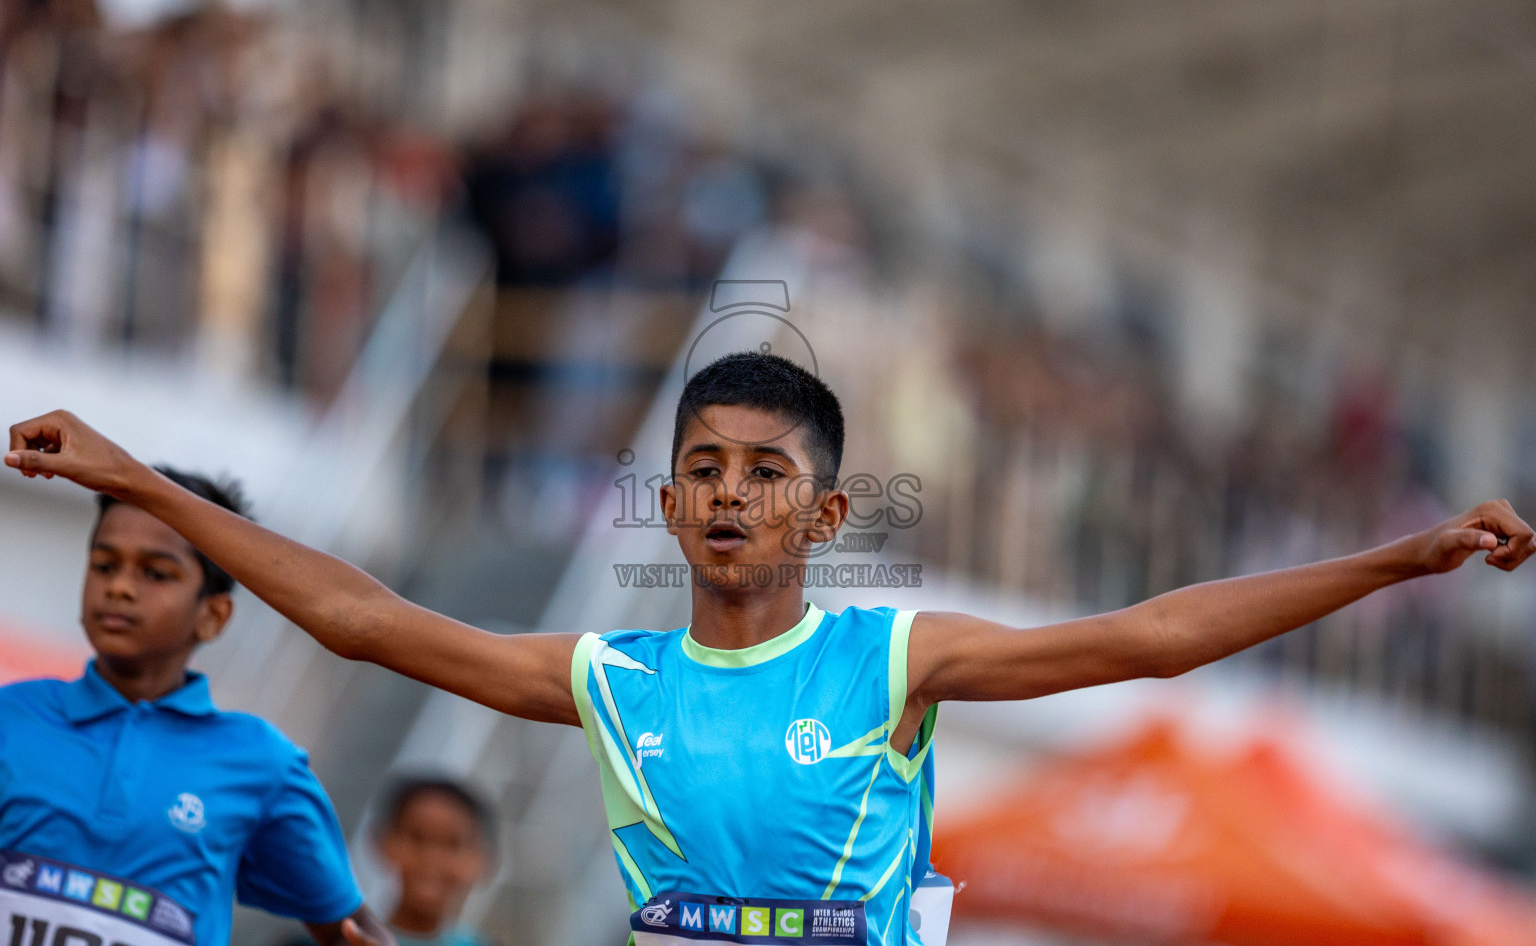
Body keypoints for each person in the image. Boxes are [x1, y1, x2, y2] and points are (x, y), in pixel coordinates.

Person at [7, 352, 1534, 946]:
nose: (733, 493)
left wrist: (1398, 557)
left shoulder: (895, 664)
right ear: (668, 500)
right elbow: (361, 620)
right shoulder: (612, 685)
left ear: (828, 510)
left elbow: (1145, 638)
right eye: (708, 469)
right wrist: (138, 476)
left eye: (767, 472)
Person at [0, 467, 392, 946]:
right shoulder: (12, 718)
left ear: (213, 615)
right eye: (104, 565)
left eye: (156, 573)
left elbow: (352, 932)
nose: (119, 587)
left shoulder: (261, 763)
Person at [371, 777, 498, 946]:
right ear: (385, 842)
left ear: (482, 858)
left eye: (453, 844)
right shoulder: (344, 938)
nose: (432, 859)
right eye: (417, 838)